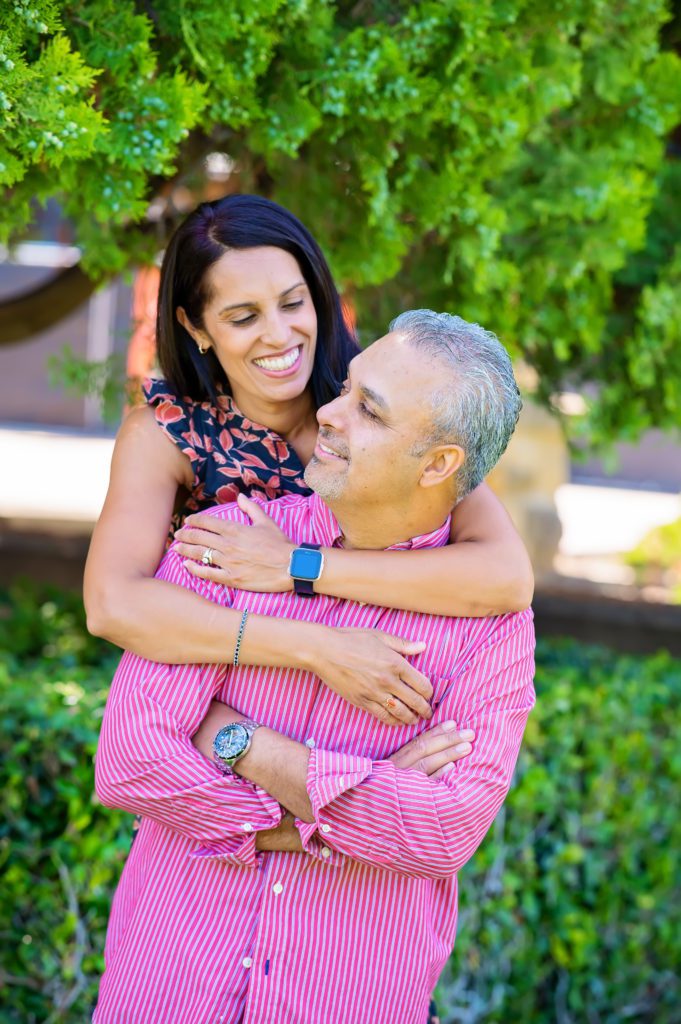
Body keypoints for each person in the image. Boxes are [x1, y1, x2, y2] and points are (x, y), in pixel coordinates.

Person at [93, 310, 536, 1024]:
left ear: (437, 464)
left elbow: (442, 831)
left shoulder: (490, 630)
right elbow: (130, 762)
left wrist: (233, 741)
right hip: (168, 986)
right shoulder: (229, 542)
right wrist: (354, 804)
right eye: (346, 389)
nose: (325, 412)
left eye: (368, 410)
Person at [84, 194, 533, 734]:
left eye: (293, 303)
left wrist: (296, 565)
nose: (278, 334)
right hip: (225, 732)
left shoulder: (374, 409)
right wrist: (318, 647)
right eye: (243, 316)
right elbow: (112, 604)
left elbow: (505, 576)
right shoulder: (166, 435)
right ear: (196, 327)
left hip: (371, 725)